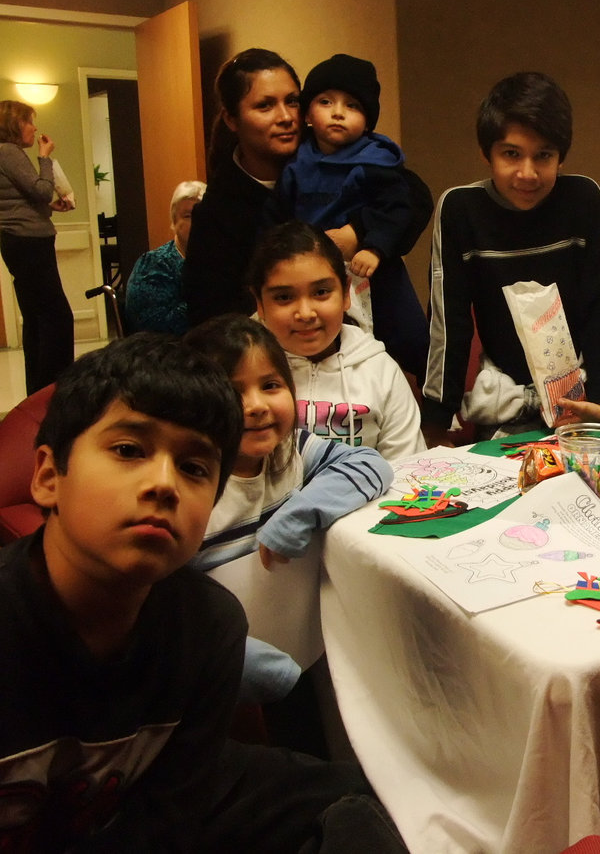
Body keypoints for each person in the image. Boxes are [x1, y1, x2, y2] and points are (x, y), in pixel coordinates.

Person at [0, 333, 408, 852]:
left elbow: (174, 818)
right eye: (129, 450)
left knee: (364, 800)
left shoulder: (210, 628)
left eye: (194, 468)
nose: (164, 484)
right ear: (47, 476)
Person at [185, 315, 392, 727]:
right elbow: (163, 610)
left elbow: (370, 465)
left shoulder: (291, 449)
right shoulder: (191, 487)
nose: (257, 405)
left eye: (271, 385)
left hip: (300, 652)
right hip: (219, 687)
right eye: (232, 391)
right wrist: (233, 659)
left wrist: (299, 513)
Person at [422, 71, 600, 444]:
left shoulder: (583, 200)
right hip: (504, 401)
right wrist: (437, 416)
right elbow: (448, 322)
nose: (527, 173)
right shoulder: (460, 209)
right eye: (511, 154)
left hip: (580, 400)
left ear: (561, 157)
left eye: (543, 155)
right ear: (487, 153)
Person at [272, 53, 433, 377]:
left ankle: (438, 405)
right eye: (326, 102)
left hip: (373, 267)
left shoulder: (375, 161)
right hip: (314, 272)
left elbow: (397, 207)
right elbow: (277, 216)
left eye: (352, 106)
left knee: (409, 336)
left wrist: (374, 246)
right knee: (335, 346)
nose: (338, 113)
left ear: (368, 120)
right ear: (307, 114)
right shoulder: (296, 164)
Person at [248, 219, 423, 465]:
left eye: (321, 292)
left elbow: (409, 471)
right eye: (284, 297)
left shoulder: (380, 371)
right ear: (260, 303)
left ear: (345, 293)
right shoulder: (240, 373)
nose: (306, 313)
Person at [183, 48, 302, 326]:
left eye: (293, 101)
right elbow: (210, 318)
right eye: (265, 105)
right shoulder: (217, 213)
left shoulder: (327, 162)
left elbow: (409, 195)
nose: (286, 116)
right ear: (231, 119)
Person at [0, 99, 74, 394]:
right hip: (29, 242)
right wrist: (45, 157)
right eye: (30, 121)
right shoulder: (9, 152)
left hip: (18, 240)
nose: (35, 127)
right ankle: (58, 390)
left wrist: (51, 207)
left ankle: (38, 392)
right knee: (57, 317)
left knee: (36, 318)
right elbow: (41, 189)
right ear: (15, 124)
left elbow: (22, 199)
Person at [125, 179, 206, 334]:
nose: (198, 222)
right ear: (174, 221)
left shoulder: (224, 260)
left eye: (203, 215)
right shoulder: (154, 265)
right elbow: (155, 328)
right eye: (188, 215)